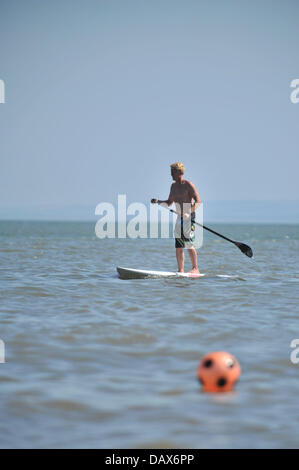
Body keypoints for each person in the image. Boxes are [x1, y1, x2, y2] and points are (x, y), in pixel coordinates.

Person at [151, 162, 201, 274]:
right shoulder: (173, 186)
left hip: (189, 216)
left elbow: (198, 201)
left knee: (188, 243)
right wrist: (158, 201)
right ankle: (181, 270)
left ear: (179, 172)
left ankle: (195, 268)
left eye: (172, 172)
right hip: (180, 217)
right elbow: (169, 203)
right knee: (179, 245)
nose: (171, 175)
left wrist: (189, 212)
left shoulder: (188, 185)